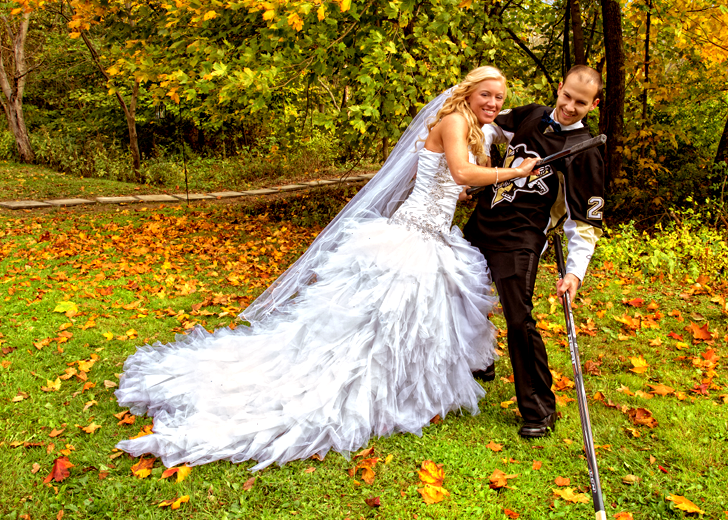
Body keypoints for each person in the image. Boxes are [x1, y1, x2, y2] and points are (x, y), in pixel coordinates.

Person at [114, 66, 538, 471]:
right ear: (468, 93)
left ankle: (401, 385)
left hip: (434, 234)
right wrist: (511, 172)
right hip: (411, 235)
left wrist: (462, 192)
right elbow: (463, 170)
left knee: (410, 319)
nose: (493, 102)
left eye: (499, 97)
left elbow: (452, 180)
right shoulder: (454, 123)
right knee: (377, 319)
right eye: (487, 94)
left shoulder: (471, 127)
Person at [463, 65, 605, 438]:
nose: (570, 107)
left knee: (518, 318)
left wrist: (574, 272)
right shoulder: (533, 114)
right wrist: (481, 159)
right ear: (559, 88)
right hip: (484, 218)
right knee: (460, 292)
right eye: (567, 96)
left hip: (521, 236)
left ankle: (538, 409)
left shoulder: (585, 152)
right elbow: (491, 126)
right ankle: (480, 360)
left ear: (594, 104)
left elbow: (584, 224)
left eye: (581, 102)